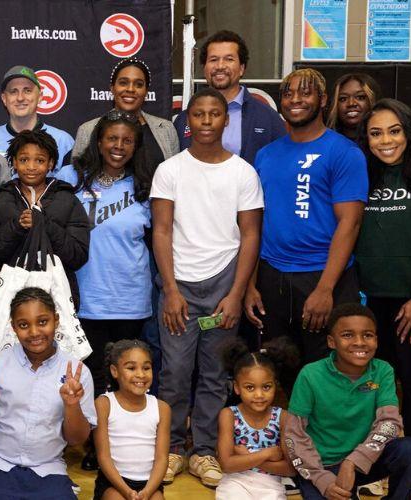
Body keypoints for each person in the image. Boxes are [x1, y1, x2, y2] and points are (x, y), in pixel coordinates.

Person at [151, 88, 265, 488]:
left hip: (223, 283)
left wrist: (236, 294)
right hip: (180, 284)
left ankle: (203, 452)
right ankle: (172, 451)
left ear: (225, 120)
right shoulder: (170, 170)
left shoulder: (243, 172)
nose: (205, 121)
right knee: (176, 373)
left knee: (215, 374)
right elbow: (162, 230)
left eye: (214, 114)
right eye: (197, 114)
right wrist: (170, 289)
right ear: (188, 121)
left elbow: (250, 235)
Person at [243, 69, 368, 370]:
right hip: (272, 278)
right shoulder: (266, 155)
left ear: (323, 100)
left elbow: (349, 225)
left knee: (326, 374)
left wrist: (325, 289)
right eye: (288, 93)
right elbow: (254, 224)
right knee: (278, 372)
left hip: (322, 278)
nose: (295, 99)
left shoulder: (344, 153)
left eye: (305, 92)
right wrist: (250, 284)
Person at [354, 99, 411, 470]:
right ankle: (374, 463)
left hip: (410, 306)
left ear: (409, 133)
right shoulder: (361, 176)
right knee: (371, 390)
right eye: (376, 133)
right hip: (366, 304)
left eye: (394, 131)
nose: (386, 141)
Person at [61, 110, 153, 435]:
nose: (118, 146)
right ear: (98, 141)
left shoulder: (145, 186)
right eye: (112, 138)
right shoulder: (71, 178)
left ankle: (120, 441)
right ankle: (93, 442)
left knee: (127, 378)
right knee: (90, 376)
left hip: (129, 298)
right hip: (84, 297)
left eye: (127, 141)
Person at [0, 287, 95, 499]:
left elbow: (76, 439)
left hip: (46, 467)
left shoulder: (77, 373)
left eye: (43, 322)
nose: (34, 332)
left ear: (56, 320)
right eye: (24, 325)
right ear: (13, 327)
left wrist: (72, 405)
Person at [283, 304, 411, 500]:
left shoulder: (383, 370)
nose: (359, 342)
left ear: (376, 339)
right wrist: (323, 480)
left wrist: (353, 462)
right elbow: (293, 436)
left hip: (362, 463)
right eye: (348, 335)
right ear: (332, 342)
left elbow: (390, 424)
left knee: (410, 450)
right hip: (321, 468)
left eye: (367, 335)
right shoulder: (310, 374)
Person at [0, 130, 90, 300]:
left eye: (39, 160)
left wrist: (44, 224)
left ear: (51, 163)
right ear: (14, 162)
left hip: (55, 300)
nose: (31, 167)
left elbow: (77, 257)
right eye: (24, 160)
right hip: (8, 300)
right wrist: (16, 226)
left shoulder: (68, 201)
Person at [172, 30, 286, 165]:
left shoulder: (267, 118)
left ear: (242, 68)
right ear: (205, 68)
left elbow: (281, 165)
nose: (220, 66)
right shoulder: (184, 119)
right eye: (213, 59)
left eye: (229, 59)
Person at [214, 337, 299, 500]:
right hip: (234, 483)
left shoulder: (283, 417)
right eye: (250, 387)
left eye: (266, 387)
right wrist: (266, 454)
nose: (259, 395)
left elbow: (290, 469)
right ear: (237, 388)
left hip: (271, 486)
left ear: (275, 385)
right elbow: (226, 464)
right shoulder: (229, 415)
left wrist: (246, 458)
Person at [92, 340, 170, 500]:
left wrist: (148, 491)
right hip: (114, 482)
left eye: (146, 368)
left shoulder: (162, 408)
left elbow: (162, 458)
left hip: (150, 484)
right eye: (131, 368)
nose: (141, 374)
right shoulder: (104, 404)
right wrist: (127, 491)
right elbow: (103, 457)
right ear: (115, 371)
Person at [74, 58, 179, 170]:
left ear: (146, 92)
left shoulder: (166, 128)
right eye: (123, 83)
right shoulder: (88, 130)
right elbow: (76, 175)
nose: (130, 89)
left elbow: (175, 176)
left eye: (138, 85)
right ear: (112, 88)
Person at [0, 65, 76, 165]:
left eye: (27, 91)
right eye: (13, 91)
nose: (20, 98)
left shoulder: (63, 141)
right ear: (4, 98)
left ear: (40, 97)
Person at [326, 73, 381, 142]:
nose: (351, 103)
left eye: (360, 97)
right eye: (343, 99)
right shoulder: (326, 143)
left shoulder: (383, 142)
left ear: (372, 100)